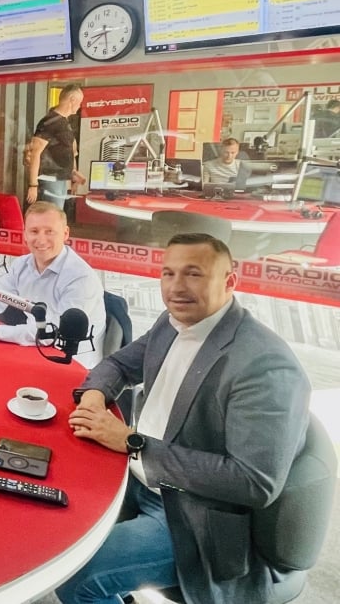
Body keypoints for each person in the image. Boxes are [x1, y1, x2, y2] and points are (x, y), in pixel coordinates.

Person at [56, 233, 310, 604]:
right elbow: (119, 365)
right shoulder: (172, 323)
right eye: (168, 273)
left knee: (78, 578)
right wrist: (95, 395)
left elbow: (253, 481)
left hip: (194, 516)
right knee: (49, 512)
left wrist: (133, 443)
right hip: (139, 480)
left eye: (193, 274)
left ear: (229, 281)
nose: (176, 287)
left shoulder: (264, 365)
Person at [0, 202, 105, 369]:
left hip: (73, 363)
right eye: (34, 231)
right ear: (25, 235)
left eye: (49, 231)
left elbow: (51, 333)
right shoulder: (21, 265)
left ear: (65, 234)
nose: (41, 240)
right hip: (34, 349)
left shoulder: (81, 278)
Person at [25, 84, 86, 209]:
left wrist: (73, 173)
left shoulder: (63, 122)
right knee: (52, 213)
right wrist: (33, 185)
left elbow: (63, 152)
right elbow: (35, 152)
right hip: (50, 179)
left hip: (59, 179)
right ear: (72, 100)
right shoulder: (50, 122)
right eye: (79, 102)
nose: (80, 106)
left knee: (57, 213)